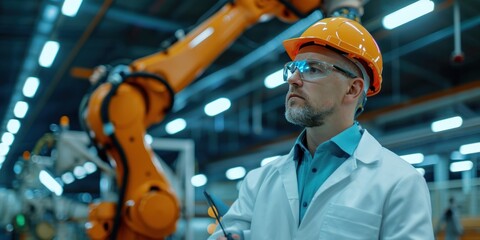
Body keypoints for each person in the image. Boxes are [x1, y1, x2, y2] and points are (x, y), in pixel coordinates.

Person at [209, 17, 434, 240]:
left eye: (313, 69)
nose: (293, 80)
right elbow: (232, 231)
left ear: (353, 89)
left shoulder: (400, 182)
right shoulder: (258, 181)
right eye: (294, 68)